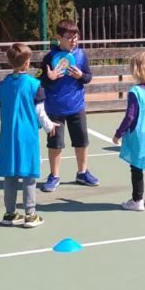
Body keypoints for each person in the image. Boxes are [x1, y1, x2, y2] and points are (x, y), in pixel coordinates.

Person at [0, 43, 58, 228]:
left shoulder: (3, 85)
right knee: (29, 174)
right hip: (27, 136)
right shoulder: (34, 84)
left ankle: (10, 214)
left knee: (10, 174)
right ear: (27, 63)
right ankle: (30, 214)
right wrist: (49, 126)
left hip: (8, 136)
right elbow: (40, 112)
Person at [39, 19, 98, 192]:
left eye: (76, 36)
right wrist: (48, 78)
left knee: (81, 142)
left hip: (76, 107)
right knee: (55, 144)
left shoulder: (81, 55)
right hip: (54, 108)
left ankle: (82, 173)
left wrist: (81, 76)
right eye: (69, 37)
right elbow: (40, 81)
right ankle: (54, 176)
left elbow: (88, 77)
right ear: (59, 37)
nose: (73, 40)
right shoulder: (49, 57)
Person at [113, 52, 145, 211]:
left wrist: (118, 133)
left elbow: (130, 116)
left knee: (136, 167)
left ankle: (137, 199)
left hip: (140, 133)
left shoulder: (135, 92)